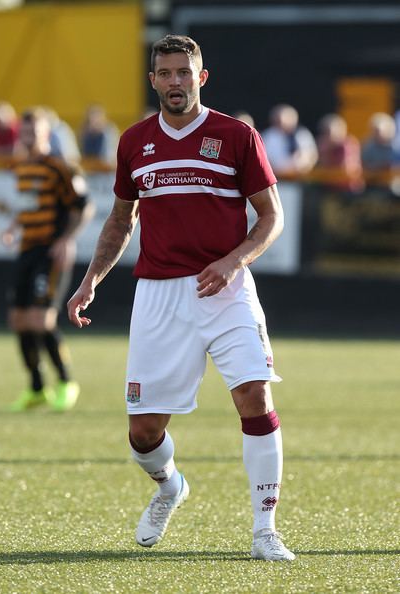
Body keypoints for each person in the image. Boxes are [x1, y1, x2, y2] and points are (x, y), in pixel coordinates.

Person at [67, 34, 295, 561]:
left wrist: (235, 259)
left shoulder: (235, 136)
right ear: (153, 81)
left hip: (227, 288)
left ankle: (265, 530)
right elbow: (122, 220)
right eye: (165, 73)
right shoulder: (134, 142)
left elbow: (272, 216)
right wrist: (90, 280)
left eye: (184, 73)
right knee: (144, 433)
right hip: (159, 295)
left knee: (254, 397)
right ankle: (170, 487)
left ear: (201, 77)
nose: (175, 82)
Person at [3, 108, 93, 412]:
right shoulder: (20, 167)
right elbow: (30, 205)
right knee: (17, 319)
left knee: (41, 319)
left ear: (45, 134)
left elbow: (84, 206)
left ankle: (67, 382)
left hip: (49, 252)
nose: (28, 137)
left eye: (34, 132)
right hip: (26, 249)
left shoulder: (59, 167)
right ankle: (37, 388)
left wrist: (66, 239)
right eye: (24, 132)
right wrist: (15, 226)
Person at [261, 103, 318, 177]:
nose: (282, 122)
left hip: (301, 179)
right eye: (278, 119)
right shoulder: (268, 136)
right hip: (276, 180)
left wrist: (302, 164)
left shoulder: (302, 134)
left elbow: (312, 156)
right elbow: (263, 160)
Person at [316, 113, 363, 192]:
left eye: (328, 132)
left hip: (348, 188)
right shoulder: (323, 145)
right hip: (328, 186)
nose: (327, 135)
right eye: (325, 132)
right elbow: (321, 164)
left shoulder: (349, 144)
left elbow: (346, 168)